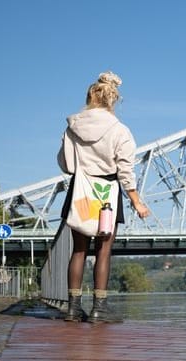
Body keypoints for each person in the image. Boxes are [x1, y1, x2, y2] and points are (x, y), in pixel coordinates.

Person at [57, 71, 150, 323]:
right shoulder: (120, 130)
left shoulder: (72, 126)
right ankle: (100, 309)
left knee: (78, 251)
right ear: (113, 100)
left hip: (81, 190)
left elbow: (65, 164)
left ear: (91, 96)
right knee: (103, 252)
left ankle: (73, 309)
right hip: (107, 194)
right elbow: (125, 170)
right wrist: (136, 201)